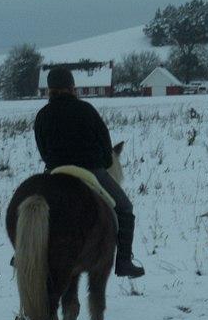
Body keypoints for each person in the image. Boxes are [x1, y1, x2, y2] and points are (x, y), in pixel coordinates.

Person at [34, 66, 145, 278]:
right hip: (92, 171)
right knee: (124, 209)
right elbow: (105, 147)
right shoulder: (86, 110)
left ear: (50, 90)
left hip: (56, 173)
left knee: (33, 211)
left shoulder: (42, 115)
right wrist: (101, 163)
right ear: (71, 87)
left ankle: (22, 252)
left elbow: (43, 151)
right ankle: (123, 262)